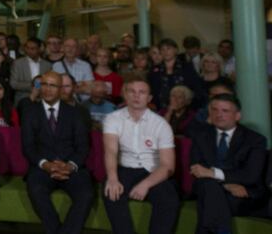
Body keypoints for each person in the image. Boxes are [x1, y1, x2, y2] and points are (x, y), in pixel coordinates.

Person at [103, 78, 179, 234]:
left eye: (142, 92)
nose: (136, 96)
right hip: (125, 169)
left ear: (149, 98)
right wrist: (112, 178)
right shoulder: (112, 119)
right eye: (132, 91)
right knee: (111, 193)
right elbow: (110, 151)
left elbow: (168, 166)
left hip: (153, 171)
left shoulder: (161, 124)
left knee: (169, 199)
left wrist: (145, 184)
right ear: (125, 94)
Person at [21, 71, 93, 234]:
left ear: (61, 89)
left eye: (52, 85)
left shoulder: (76, 113)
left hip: (71, 167)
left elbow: (83, 146)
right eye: (44, 84)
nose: (47, 89)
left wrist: (70, 166)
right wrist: (46, 164)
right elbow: (28, 147)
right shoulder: (30, 112)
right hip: (42, 168)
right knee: (36, 190)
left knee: (86, 194)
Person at [189, 94, 268, 233]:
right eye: (214, 110)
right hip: (213, 189)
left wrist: (213, 173)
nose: (219, 115)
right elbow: (197, 169)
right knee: (209, 188)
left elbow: (251, 176)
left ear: (237, 116)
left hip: (241, 194)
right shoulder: (200, 135)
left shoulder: (255, 140)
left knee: (210, 198)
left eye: (225, 111)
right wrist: (225, 184)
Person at [148, 38, 204, 111]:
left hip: (184, 109)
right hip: (159, 109)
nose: (166, 52)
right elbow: (151, 90)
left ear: (176, 50)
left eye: (168, 48)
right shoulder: (155, 70)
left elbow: (196, 88)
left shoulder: (186, 67)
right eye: (162, 49)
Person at [10, 37, 51, 104]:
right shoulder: (17, 63)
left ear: (39, 49)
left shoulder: (47, 65)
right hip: (22, 100)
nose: (29, 51)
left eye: (33, 48)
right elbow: (13, 84)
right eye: (27, 48)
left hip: (42, 101)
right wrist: (35, 86)